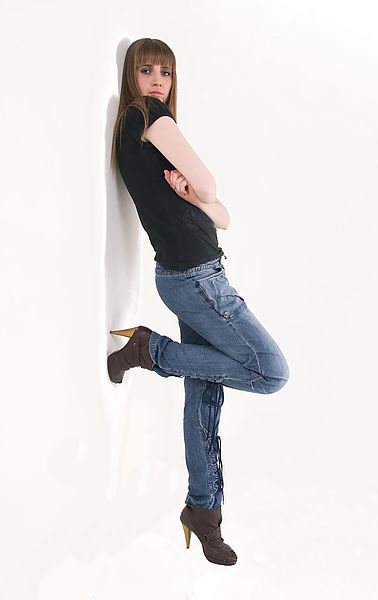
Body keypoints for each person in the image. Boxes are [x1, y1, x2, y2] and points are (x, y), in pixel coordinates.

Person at [108, 38, 289, 566]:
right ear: (132, 77)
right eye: (147, 69)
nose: (158, 79)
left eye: (166, 71)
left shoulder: (142, 137)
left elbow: (224, 215)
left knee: (204, 400)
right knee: (270, 372)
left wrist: (195, 198)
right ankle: (149, 351)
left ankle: (202, 513)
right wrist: (203, 192)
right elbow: (213, 186)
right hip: (198, 282)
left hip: (192, 275)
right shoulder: (147, 116)